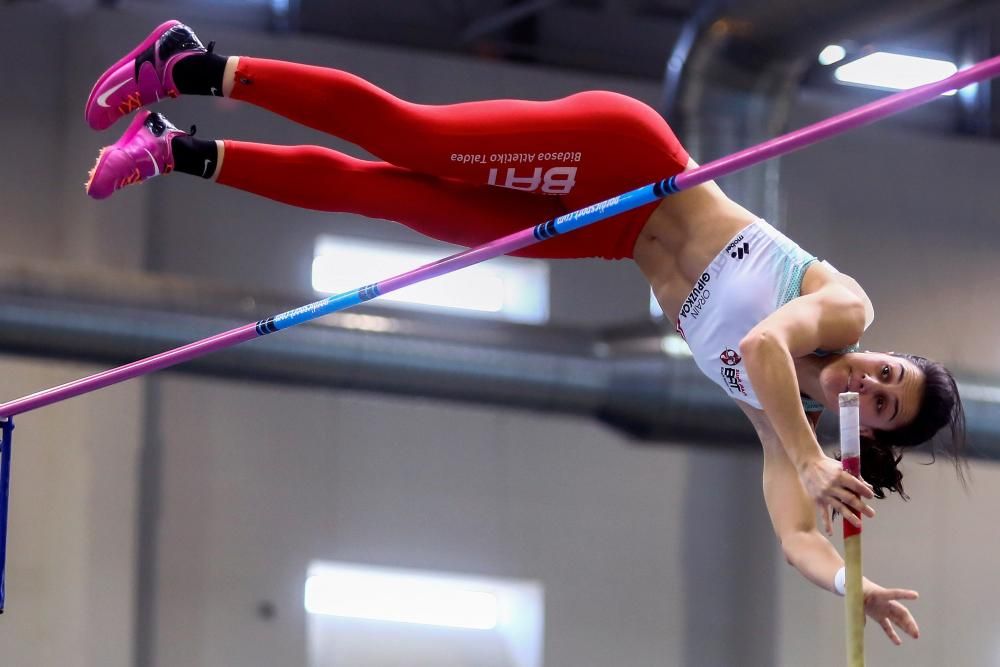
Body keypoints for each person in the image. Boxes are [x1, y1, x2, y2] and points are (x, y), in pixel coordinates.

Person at [85, 20, 966, 645]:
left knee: (388, 197)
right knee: (415, 137)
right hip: (633, 166)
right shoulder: (845, 306)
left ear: (876, 432)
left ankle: (176, 147)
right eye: (890, 373)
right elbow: (768, 345)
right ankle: (189, 62)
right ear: (884, 351)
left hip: (611, 232)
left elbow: (794, 535)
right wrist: (816, 462)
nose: (873, 383)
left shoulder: (778, 420)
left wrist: (855, 581)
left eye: (885, 404)